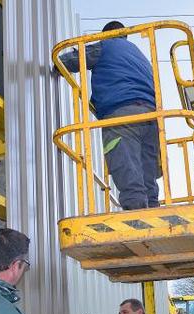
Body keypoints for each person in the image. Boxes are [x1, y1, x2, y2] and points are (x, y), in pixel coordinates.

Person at [57, 20, 161, 211]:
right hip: (152, 116)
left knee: (125, 162)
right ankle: (153, 208)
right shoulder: (141, 56)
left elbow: (74, 59)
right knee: (147, 167)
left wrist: (57, 64)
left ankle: (136, 211)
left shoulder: (106, 45)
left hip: (122, 114)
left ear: (105, 34)